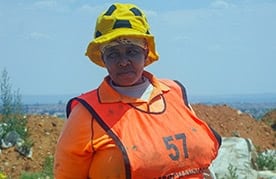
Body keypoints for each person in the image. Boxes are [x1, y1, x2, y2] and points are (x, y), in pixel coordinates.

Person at [54, 3, 221, 179]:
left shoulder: (174, 93)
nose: (123, 61)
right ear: (103, 59)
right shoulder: (86, 113)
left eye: (132, 51)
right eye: (113, 54)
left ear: (146, 52)